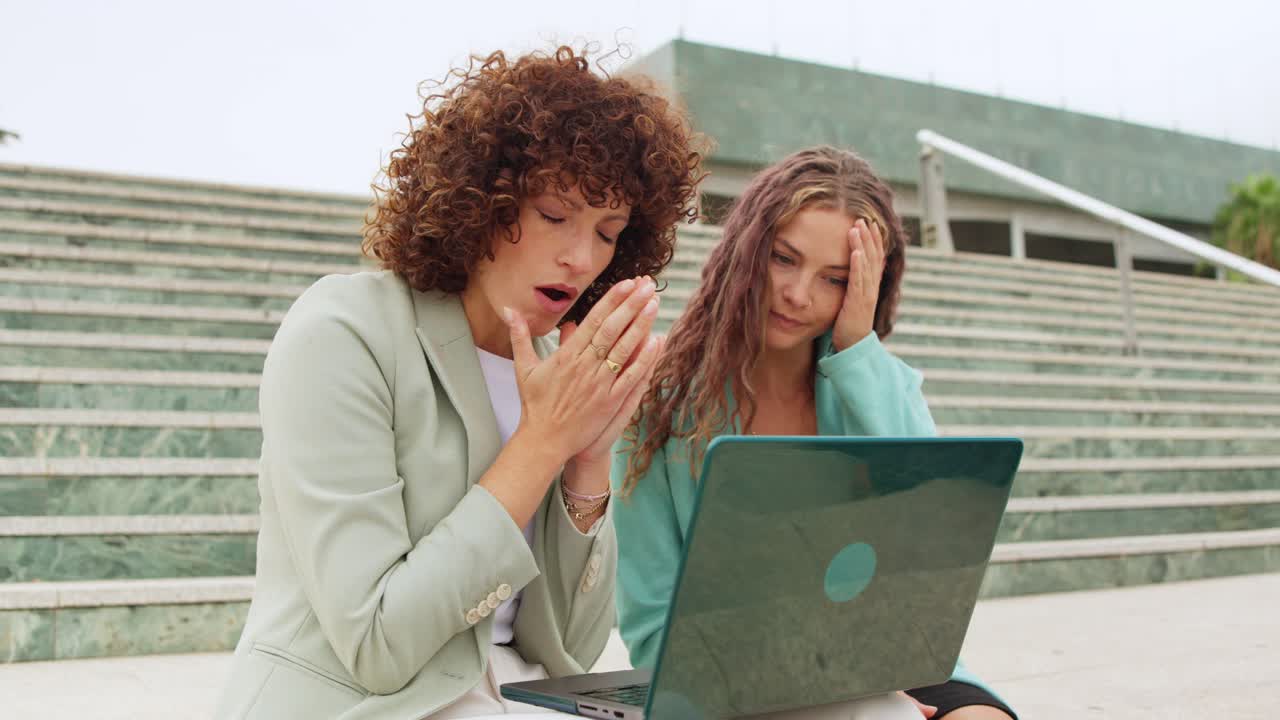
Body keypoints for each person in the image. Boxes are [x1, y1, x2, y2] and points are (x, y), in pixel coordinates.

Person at [215, 46, 704, 720]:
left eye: (609, 232)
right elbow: (380, 643)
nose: (582, 256)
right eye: (555, 215)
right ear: (483, 198)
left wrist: (588, 463)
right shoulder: (344, 331)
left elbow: (576, 651)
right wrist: (542, 443)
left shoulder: (553, 369)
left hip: (512, 696)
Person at [611, 146, 1018, 719]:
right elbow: (653, 629)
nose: (800, 295)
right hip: (738, 681)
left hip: (890, 657)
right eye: (783, 258)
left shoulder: (869, 384)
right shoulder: (656, 409)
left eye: (835, 278)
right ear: (747, 250)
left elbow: (938, 516)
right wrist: (843, 684)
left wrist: (857, 348)